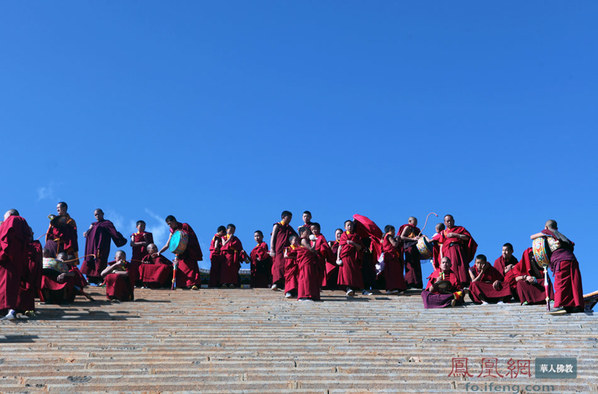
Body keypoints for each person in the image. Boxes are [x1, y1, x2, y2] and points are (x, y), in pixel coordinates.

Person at [530, 220, 584, 314]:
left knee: (561, 283)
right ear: (557, 227)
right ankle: (574, 305)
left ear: (546, 227)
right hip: (572, 259)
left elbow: (532, 237)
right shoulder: (561, 236)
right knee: (573, 283)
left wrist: (544, 234)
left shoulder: (548, 232)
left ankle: (560, 305)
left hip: (561, 260)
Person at [81, 209, 128, 285]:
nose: (97, 216)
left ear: (102, 214)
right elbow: (87, 234)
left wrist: (121, 239)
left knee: (100, 261)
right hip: (91, 246)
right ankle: (89, 278)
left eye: (98, 214)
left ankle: (99, 279)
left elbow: (113, 232)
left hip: (101, 246)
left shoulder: (107, 223)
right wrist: (87, 232)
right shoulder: (93, 224)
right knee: (90, 260)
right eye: (95, 215)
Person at [0, 209, 31, 321]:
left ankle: (10, 311)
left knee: (7, 285)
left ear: (10, 214)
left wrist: (3, 253)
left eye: (4, 217)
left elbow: (6, 240)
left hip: (8, 259)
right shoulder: (23, 222)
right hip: (18, 259)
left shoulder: (14, 220)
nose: (3, 220)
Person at [159, 215, 202, 290]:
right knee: (181, 268)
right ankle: (183, 284)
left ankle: (194, 284)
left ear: (174, 221)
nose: (169, 226)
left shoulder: (184, 226)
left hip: (189, 251)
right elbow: (168, 244)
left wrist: (184, 235)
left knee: (191, 268)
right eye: (168, 224)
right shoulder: (172, 231)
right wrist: (159, 252)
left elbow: (192, 236)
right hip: (181, 252)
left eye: (170, 223)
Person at [437, 215, 477, 287]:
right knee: (450, 266)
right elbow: (441, 245)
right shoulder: (443, 232)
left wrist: (455, 235)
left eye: (451, 220)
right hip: (448, 252)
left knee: (461, 266)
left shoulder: (460, 229)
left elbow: (467, 238)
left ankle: (464, 283)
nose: (449, 222)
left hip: (458, 250)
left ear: (454, 221)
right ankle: (452, 283)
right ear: (445, 223)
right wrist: (442, 258)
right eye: (447, 221)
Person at [269, 211, 297, 291]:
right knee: (278, 266)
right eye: (288, 218)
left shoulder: (289, 228)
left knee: (285, 266)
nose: (290, 220)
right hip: (277, 249)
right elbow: (273, 237)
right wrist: (272, 249)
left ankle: (283, 285)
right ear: (283, 217)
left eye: (291, 218)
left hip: (286, 250)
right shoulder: (277, 225)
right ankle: (275, 283)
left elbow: (296, 236)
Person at [15, 236, 43, 316]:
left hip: (30, 269)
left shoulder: (35, 244)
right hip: (20, 267)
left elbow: (37, 256)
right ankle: (17, 307)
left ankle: (28, 308)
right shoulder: (21, 243)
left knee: (29, 288)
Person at [337, 220, 363, 297]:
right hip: (345, 257)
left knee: (353, 273)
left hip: (353, 257)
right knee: (346, 273)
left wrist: (352, 243)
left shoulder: (356, 236)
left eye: (351, 225)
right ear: (345, 227)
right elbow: (340, 247)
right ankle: (347, 288)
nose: (350, 227)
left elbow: (359, 248)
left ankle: (353, 288)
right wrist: (338, 257)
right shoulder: (343, 235)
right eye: (348, 225)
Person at [296, 227, 322, 301]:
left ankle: (308, 295)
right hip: (305, 263)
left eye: (308, 232)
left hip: (308, 262)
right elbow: (311, 249)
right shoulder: (303, 240)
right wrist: (314, 242)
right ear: (301, 233)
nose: (308, 234)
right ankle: (306, 295)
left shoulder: (306, 240)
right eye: (306, 232)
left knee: (308, 278)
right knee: (306, 278)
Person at [381, 225, 406, 295]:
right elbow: (394, 244)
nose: (394, 232)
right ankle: (391, 288)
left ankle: (394, 288)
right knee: (393, 273)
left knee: (392, 273)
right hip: (391, 257)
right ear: (389, 230)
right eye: (393, 231)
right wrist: (397, 239)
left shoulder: (386, 237)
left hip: (390, 256)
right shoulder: (388, 236)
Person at [399, 217, 423, 289]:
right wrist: (413, 239)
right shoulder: (407, 227)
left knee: (417, 266)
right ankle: (410, 283)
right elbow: (402, 237)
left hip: (416, 249)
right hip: (409, 248)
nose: (416, 223)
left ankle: (417, 284)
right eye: (414, 221)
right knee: (411, 265)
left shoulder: (417, 229)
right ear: (409, 221)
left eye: (416, 221)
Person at [310, 223, 333, 287]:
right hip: (312, 257)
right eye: (312, 229)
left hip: (320, 257)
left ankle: (320, 285)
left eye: (315, 229)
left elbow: (326, 246)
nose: (314, 231)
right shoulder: (310, 238)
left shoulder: (321, 237)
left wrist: (322, 250)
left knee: (320, 271)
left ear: (319, 229)